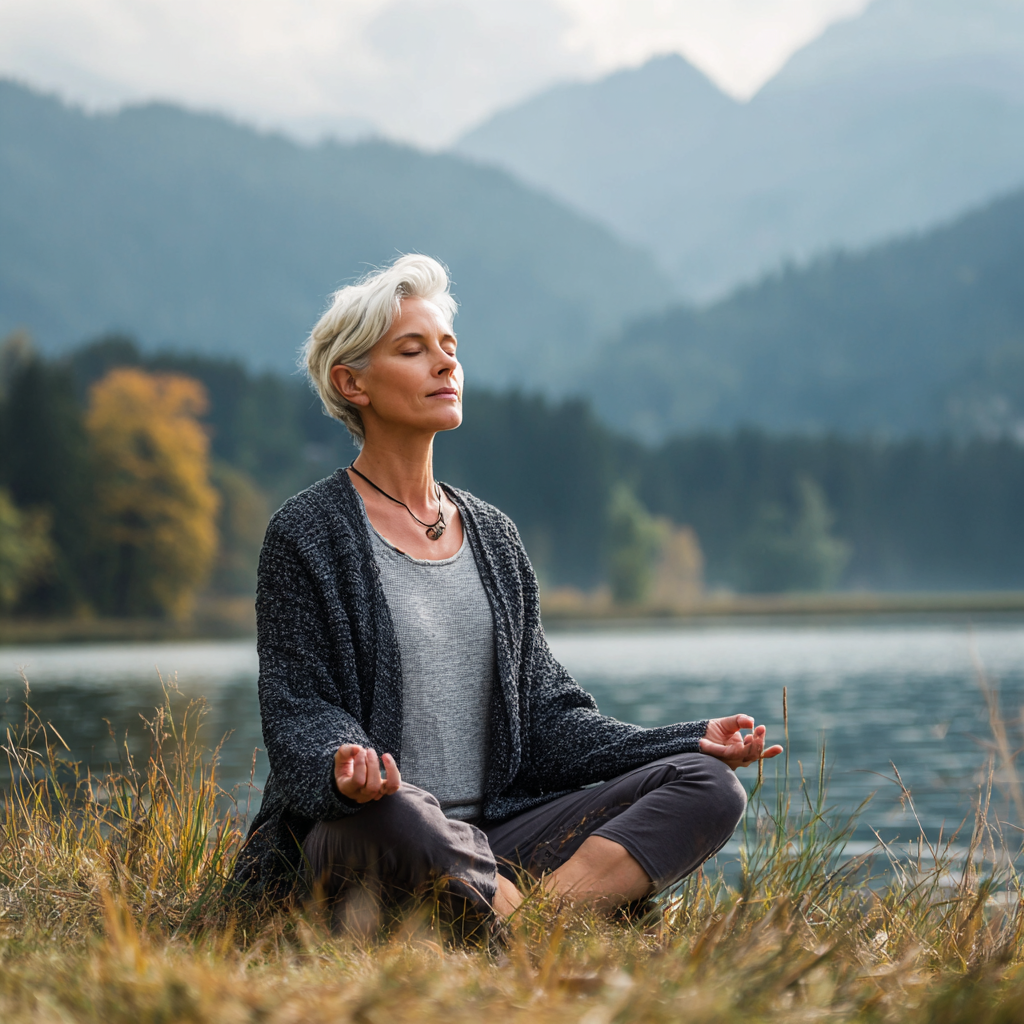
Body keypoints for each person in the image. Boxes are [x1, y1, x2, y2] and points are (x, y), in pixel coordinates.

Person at [235, 254, 782, 927]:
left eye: (449, 348)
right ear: (353, 383)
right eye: (413, 350)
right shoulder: (307, 534)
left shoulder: (494, 536)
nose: (445, 365)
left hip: (500, 838)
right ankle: (538, 923)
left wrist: (688, 740)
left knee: (710, 788)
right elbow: (298, 708)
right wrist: (343, 765)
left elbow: (551, 722)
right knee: (405, 810)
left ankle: (518, 922)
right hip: (366, 833)